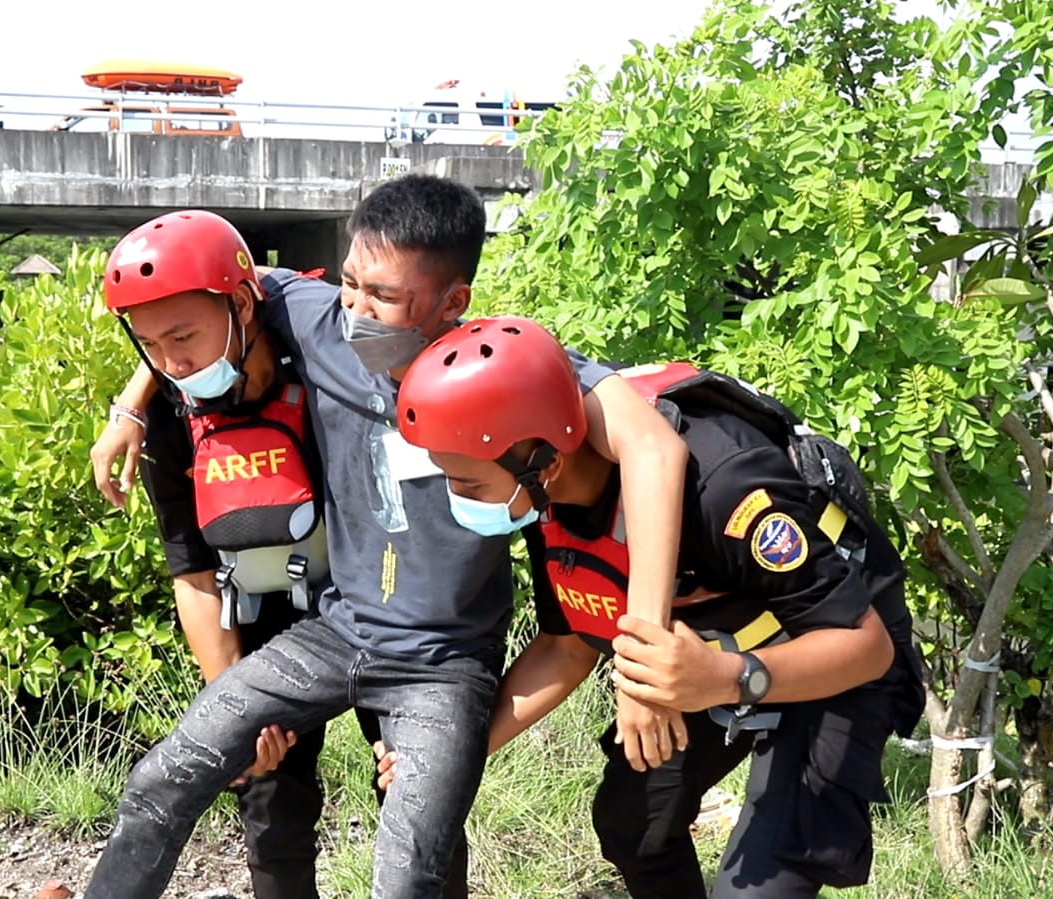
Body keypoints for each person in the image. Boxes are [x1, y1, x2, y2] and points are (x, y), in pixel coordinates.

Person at [82, 175, 690, 899]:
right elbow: (207, 293)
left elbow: (655, 450)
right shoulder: (319, 319)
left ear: (452, 302)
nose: (356, 309)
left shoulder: (506, 369)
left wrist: (647, 659)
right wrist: (132, 403)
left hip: (443, 666)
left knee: (408, 869)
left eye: (383, 296)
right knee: (160, 779)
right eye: (348, 282)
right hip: (334, 632)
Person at [386, 316, 927, 898]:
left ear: (547, 462)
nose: (455, 499)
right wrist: (454, 755)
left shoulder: (724, 490)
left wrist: (724, 679)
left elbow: (867, 646)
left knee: (763, 879)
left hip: (834, 644)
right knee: (633, 824)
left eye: (467, 485)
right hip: (705, 651)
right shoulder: (547, 501)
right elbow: (568, 646)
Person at [92, 208, 427, 898]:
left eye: (183, 336)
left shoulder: (322, 356)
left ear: (240, 306)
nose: (172, 362)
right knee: (270, 804)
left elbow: (281, 284)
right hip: (265, 619)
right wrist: (230, 702)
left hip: (373, 602)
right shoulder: (170, 412)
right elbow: (192, 572)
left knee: (414, 790)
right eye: (152, 348)